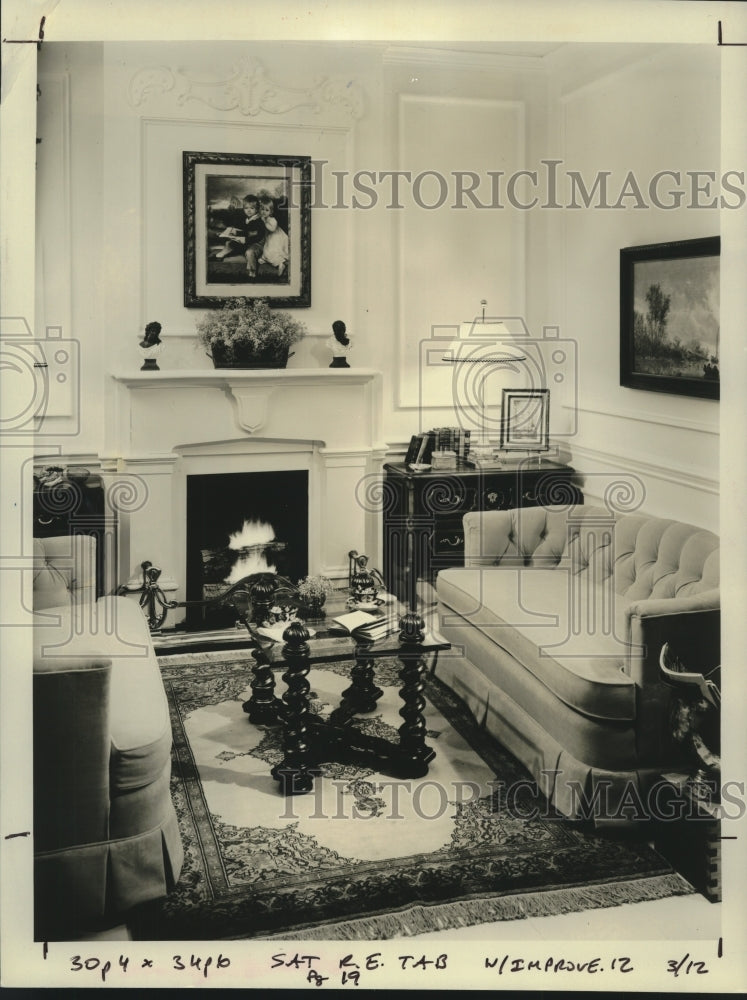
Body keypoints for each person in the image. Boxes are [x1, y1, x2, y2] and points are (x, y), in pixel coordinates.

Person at [214, 194, 265, 264]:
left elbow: (257, 236)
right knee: (229, 243)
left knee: (235, 245)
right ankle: (219, 256)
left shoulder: (259, 221)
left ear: (257, 209)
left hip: (254, 244)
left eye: (252, 208)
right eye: (246, 208)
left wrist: (244, 239)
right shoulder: (247, 219)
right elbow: (245, 232)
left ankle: (220, 256)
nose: (248, 211)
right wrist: (233, 233)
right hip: (246, 242)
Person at [250, 196, 289, 278]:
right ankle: (265, 258)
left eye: (267, 210)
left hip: (276, 239)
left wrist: (264, 222)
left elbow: (272, 229)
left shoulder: (272, 219)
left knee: (271, 252)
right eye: (262, 209)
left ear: (271, 211)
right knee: (266, 249)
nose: (264, 212)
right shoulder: (264, 217)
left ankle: (280, 264)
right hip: (270, 239)